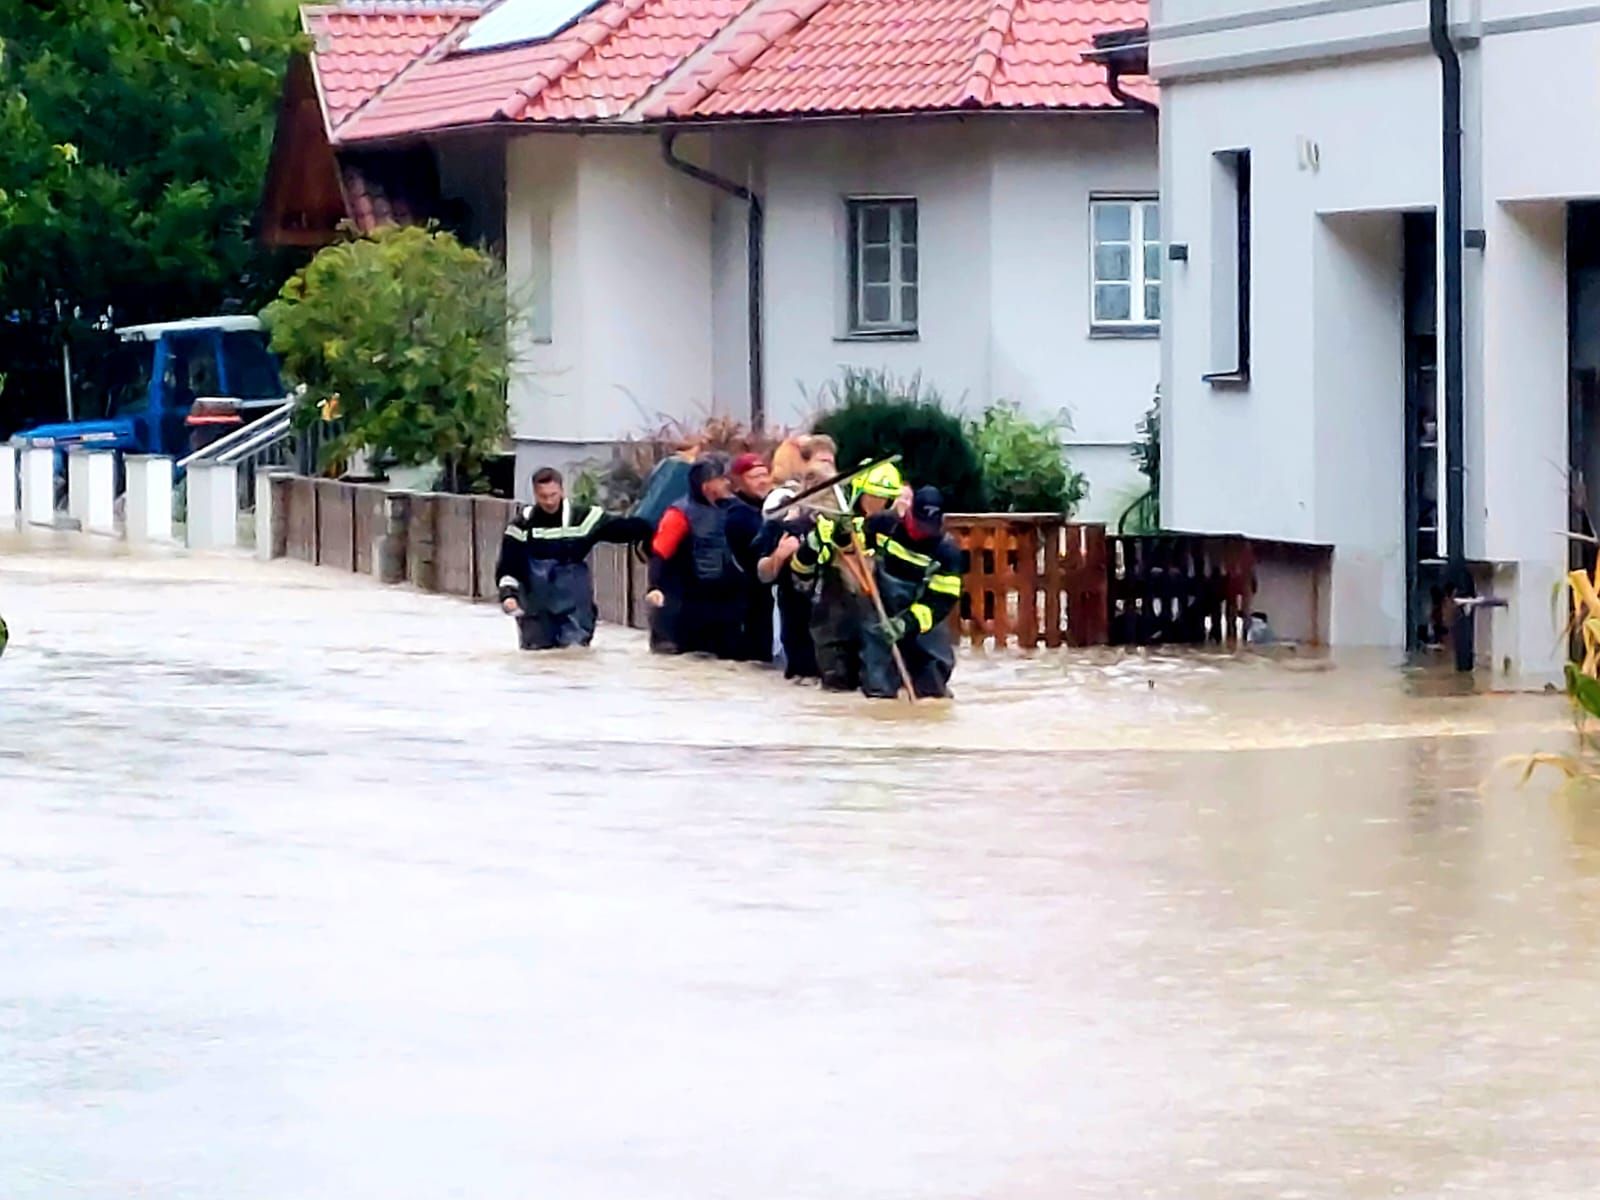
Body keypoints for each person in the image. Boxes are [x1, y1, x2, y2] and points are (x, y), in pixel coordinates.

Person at [494, 467, 651, 651]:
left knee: (575, 656)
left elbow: (623, 530)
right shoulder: (521, 525)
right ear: (535, 494)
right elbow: (508, 567)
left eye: (553, 495)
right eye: (543, 496)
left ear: (562, 490)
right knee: (537, 662)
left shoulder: (584, 518)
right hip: (536, 612)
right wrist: (508, 596)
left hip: (575, 610)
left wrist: (651, 524)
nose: (549, 501)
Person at [790, 458, 904, 692]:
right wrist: (814, 545)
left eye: (883, 499)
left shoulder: (893, 530)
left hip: (877, 624)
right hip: (834, 624)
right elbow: (801, 575)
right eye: (872, 497)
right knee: (837, 691)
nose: (877, 504)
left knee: (878, 690)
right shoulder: (831, 524)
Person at [858, 486, 963, 700]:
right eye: (919, 525)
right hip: (882, 610)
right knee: (878, 690)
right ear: (909, 513)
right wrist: (842, 533)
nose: (922, 532)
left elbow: (940, 602)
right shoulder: (884, 524)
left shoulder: (947, 552)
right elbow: (856, 538)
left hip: (922, 618)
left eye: (928, 528)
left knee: (933, 690)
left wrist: (906, 623)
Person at [646, 456, 743, 658]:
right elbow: (660, 553)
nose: (727, 483)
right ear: (706, 485)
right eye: (721, 478)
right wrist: (654, 587)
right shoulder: (679, 514)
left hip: (721, 607)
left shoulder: (735, 510)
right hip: (682, 608)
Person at [727, 453, 776, 663]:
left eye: (765, 474)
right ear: (739, 482)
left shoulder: (772, 505)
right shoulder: (738, 514)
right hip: (750, 600)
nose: (763, 481)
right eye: (754, 477)